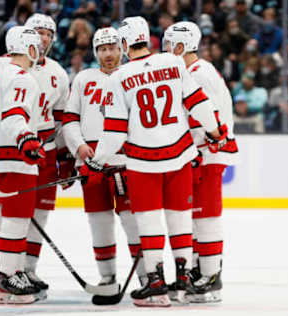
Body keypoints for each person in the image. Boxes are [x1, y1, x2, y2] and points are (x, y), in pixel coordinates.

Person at [79, 16, 227, 307]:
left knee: (148, 220)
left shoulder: (117, 78)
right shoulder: (173, 62)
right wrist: (213, 129)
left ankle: (156, 284)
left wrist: (98, 161)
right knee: (179, 217)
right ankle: (182, 280)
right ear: (148, 38)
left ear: (123, 44)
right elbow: (197, 101)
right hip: (181, 154)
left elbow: (114, 131)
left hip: (143, 161)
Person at [62, 27, 147, 304]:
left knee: (132, 220)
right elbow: (70, 119)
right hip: (91, 164)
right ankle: (107, 279)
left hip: (123, 161)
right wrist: (79, 146)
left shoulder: (132, 76)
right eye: (102, 49)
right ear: (95, 51)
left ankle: (148, 279)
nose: (108, 54)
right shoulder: (84, 78)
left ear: (121, 48)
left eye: (112, 48)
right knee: (99, 221)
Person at [163, 21, 239, 303]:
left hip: (207, 153)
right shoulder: (192, 70)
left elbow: (211, 120)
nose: (166, 50)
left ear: (181, 46)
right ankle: (199, 270)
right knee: (197, 214)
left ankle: (210, 276)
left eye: (169, 45)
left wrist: (198, 150)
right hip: (199, 153)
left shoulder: (199, 73)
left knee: (207, 215)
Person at [0, 26, 46, 304]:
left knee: (3, 220)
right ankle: (8, 278)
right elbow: (14, 116)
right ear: (29, 48)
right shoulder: (22, 77)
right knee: (16, 221)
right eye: (35, 47)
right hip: (13, 158)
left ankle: (1, 276)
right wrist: (27, 140)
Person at [24, 13, 73, 297]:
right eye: (38, 32)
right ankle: (4, 269)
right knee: (14, 214)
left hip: (46, 151)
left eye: (48, 34)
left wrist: (64, 158)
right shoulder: (10, 67)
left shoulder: (57, 73)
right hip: (17, 152)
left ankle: (29, 268)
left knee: (40, 213)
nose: (43, 38)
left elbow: (62, 121)